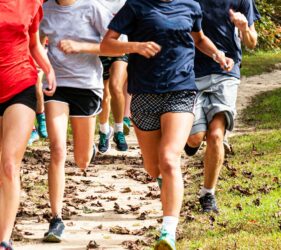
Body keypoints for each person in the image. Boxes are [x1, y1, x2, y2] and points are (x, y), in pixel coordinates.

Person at [100, 0, 234, 249]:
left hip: (180, 90)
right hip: (144, 94)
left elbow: (199, 38)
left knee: (169, 158)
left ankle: (168, 231)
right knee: (153, 168)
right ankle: (166, 185)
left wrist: (217, 54)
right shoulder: (136, 6)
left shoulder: (191, 6)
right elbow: (106, 44)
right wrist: (135, 46)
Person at [39, 0, 114, 243]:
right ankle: (56, 218)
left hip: (86, 86)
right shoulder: (45, 9)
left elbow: (114, 47)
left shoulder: (92, 8)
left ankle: (89, 148)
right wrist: (44, 67)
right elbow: (37, 43)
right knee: (57, 148)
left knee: (81, 160)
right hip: (56, 86)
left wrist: (80, 46)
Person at [185, 0, 261, 213]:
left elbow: (252, 42)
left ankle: (208, 194)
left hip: (227, 71)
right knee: (195, 137)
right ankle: (192, 142)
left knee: (216, 135)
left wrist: (244, 28)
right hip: (191, 72)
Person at [0, 0, 57, 248]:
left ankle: (3, 239)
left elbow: (33, 43)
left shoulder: (31, 2)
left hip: (20, 84)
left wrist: (48, 69)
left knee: (10, 165)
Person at [96, 0, 130, 153]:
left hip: (120, 49)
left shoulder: (126, 2)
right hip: (99, 49)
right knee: (104, 94)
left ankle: (119, 130)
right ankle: (104, 131)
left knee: (116, 87)